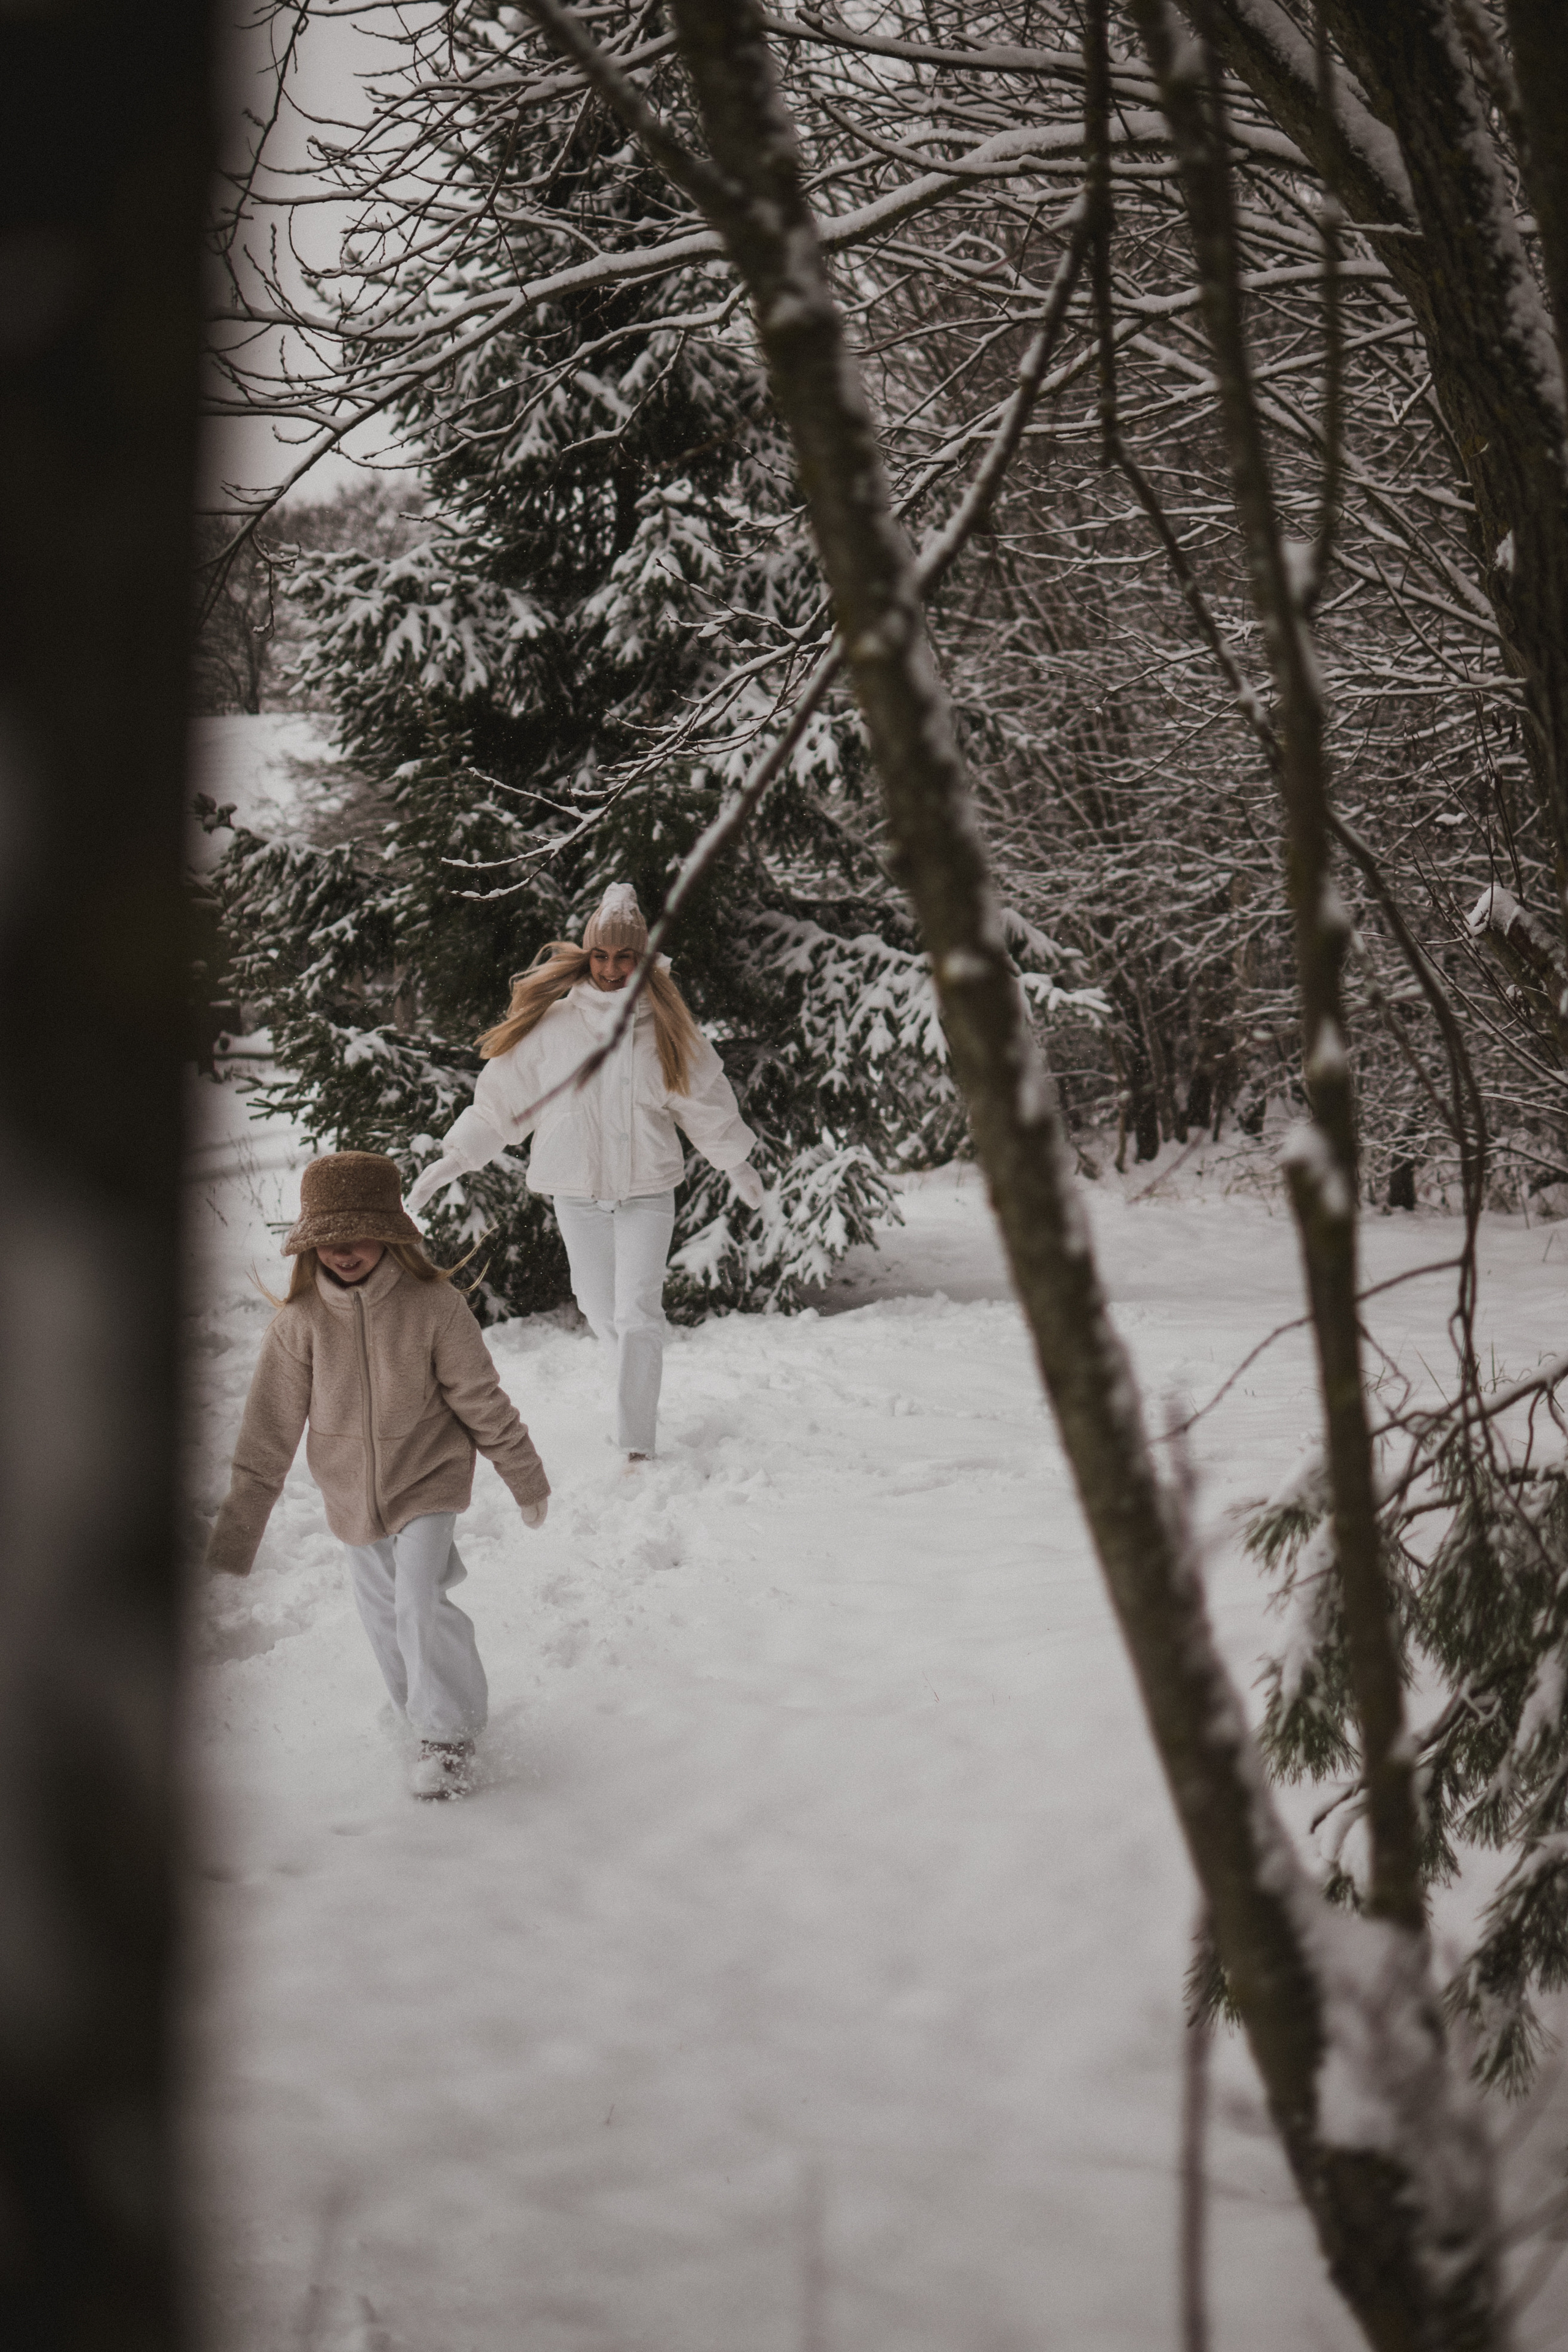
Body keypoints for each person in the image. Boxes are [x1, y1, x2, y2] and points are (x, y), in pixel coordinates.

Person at [205, 1150, 551, 1801]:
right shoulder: (299, 1323)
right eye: (327, 1239)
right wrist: (238, 1531)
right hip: (349, 1494)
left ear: (391, 1229)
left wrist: (524, 1477)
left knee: (417, 1601)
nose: (342, 1251)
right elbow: (267, 1434)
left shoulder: (433, 1305)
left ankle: (448, 1739)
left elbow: (481, 1399)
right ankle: (423, 1721)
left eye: (356, 1233)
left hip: (428, 1477)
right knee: (381, 1615)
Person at [408, 883, 764, 1462]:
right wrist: (457, 1158)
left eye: (625, 957)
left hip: (648, 1188)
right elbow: (503, 1104)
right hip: (575, 1190)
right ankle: (632, 1382)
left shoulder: (668, 1027)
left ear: (643, 958)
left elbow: (706, 1100)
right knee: (601, 1309)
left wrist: (737, 1162)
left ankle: (635, 1442)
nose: (612, 968)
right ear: (586, 954)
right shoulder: (552, 1025)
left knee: (638, 1311)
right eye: (601, 955)